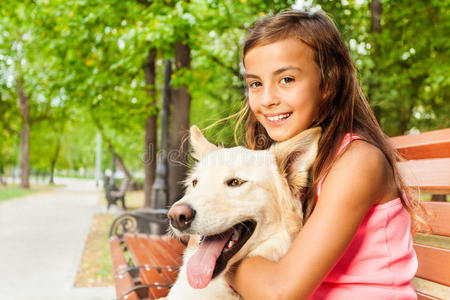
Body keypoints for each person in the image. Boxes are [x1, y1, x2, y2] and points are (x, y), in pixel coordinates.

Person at [227, 9, 423, 300]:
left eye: (287, 80)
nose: (267, 99)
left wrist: (217, 260)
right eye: (256, 84)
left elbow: (280, 292)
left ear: (328, 84)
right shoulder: (297, 161)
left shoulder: (357, 162)